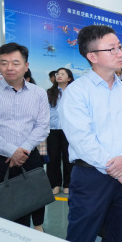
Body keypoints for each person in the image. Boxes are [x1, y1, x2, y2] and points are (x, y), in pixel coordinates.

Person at [60, 25, 122, 242]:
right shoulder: (77, 92)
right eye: (112, 49)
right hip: (91, 178)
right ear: (92, 56)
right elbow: (82, 140)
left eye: (120, 47)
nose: (120, 53)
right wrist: (119, 172)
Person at [0, 43, 50, 231]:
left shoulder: (38, 93)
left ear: (26, 66)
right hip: (0, 157)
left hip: (29, 155)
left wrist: (23, 149)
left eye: (15, 63)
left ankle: (36, 230)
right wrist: (11, 150)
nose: (9, 68)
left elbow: (43, 126)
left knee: (33, 198)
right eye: (3, 63)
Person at [47, 67, 75, 195]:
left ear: (69, 78)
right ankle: (55, 184)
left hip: (69, 129)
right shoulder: (50, 92)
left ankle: (68, 184)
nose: (59, 75)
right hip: (53, 129)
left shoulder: (74, 92)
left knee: (69, 158)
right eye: (57, 73)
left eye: (63, 74)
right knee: (53, 158)